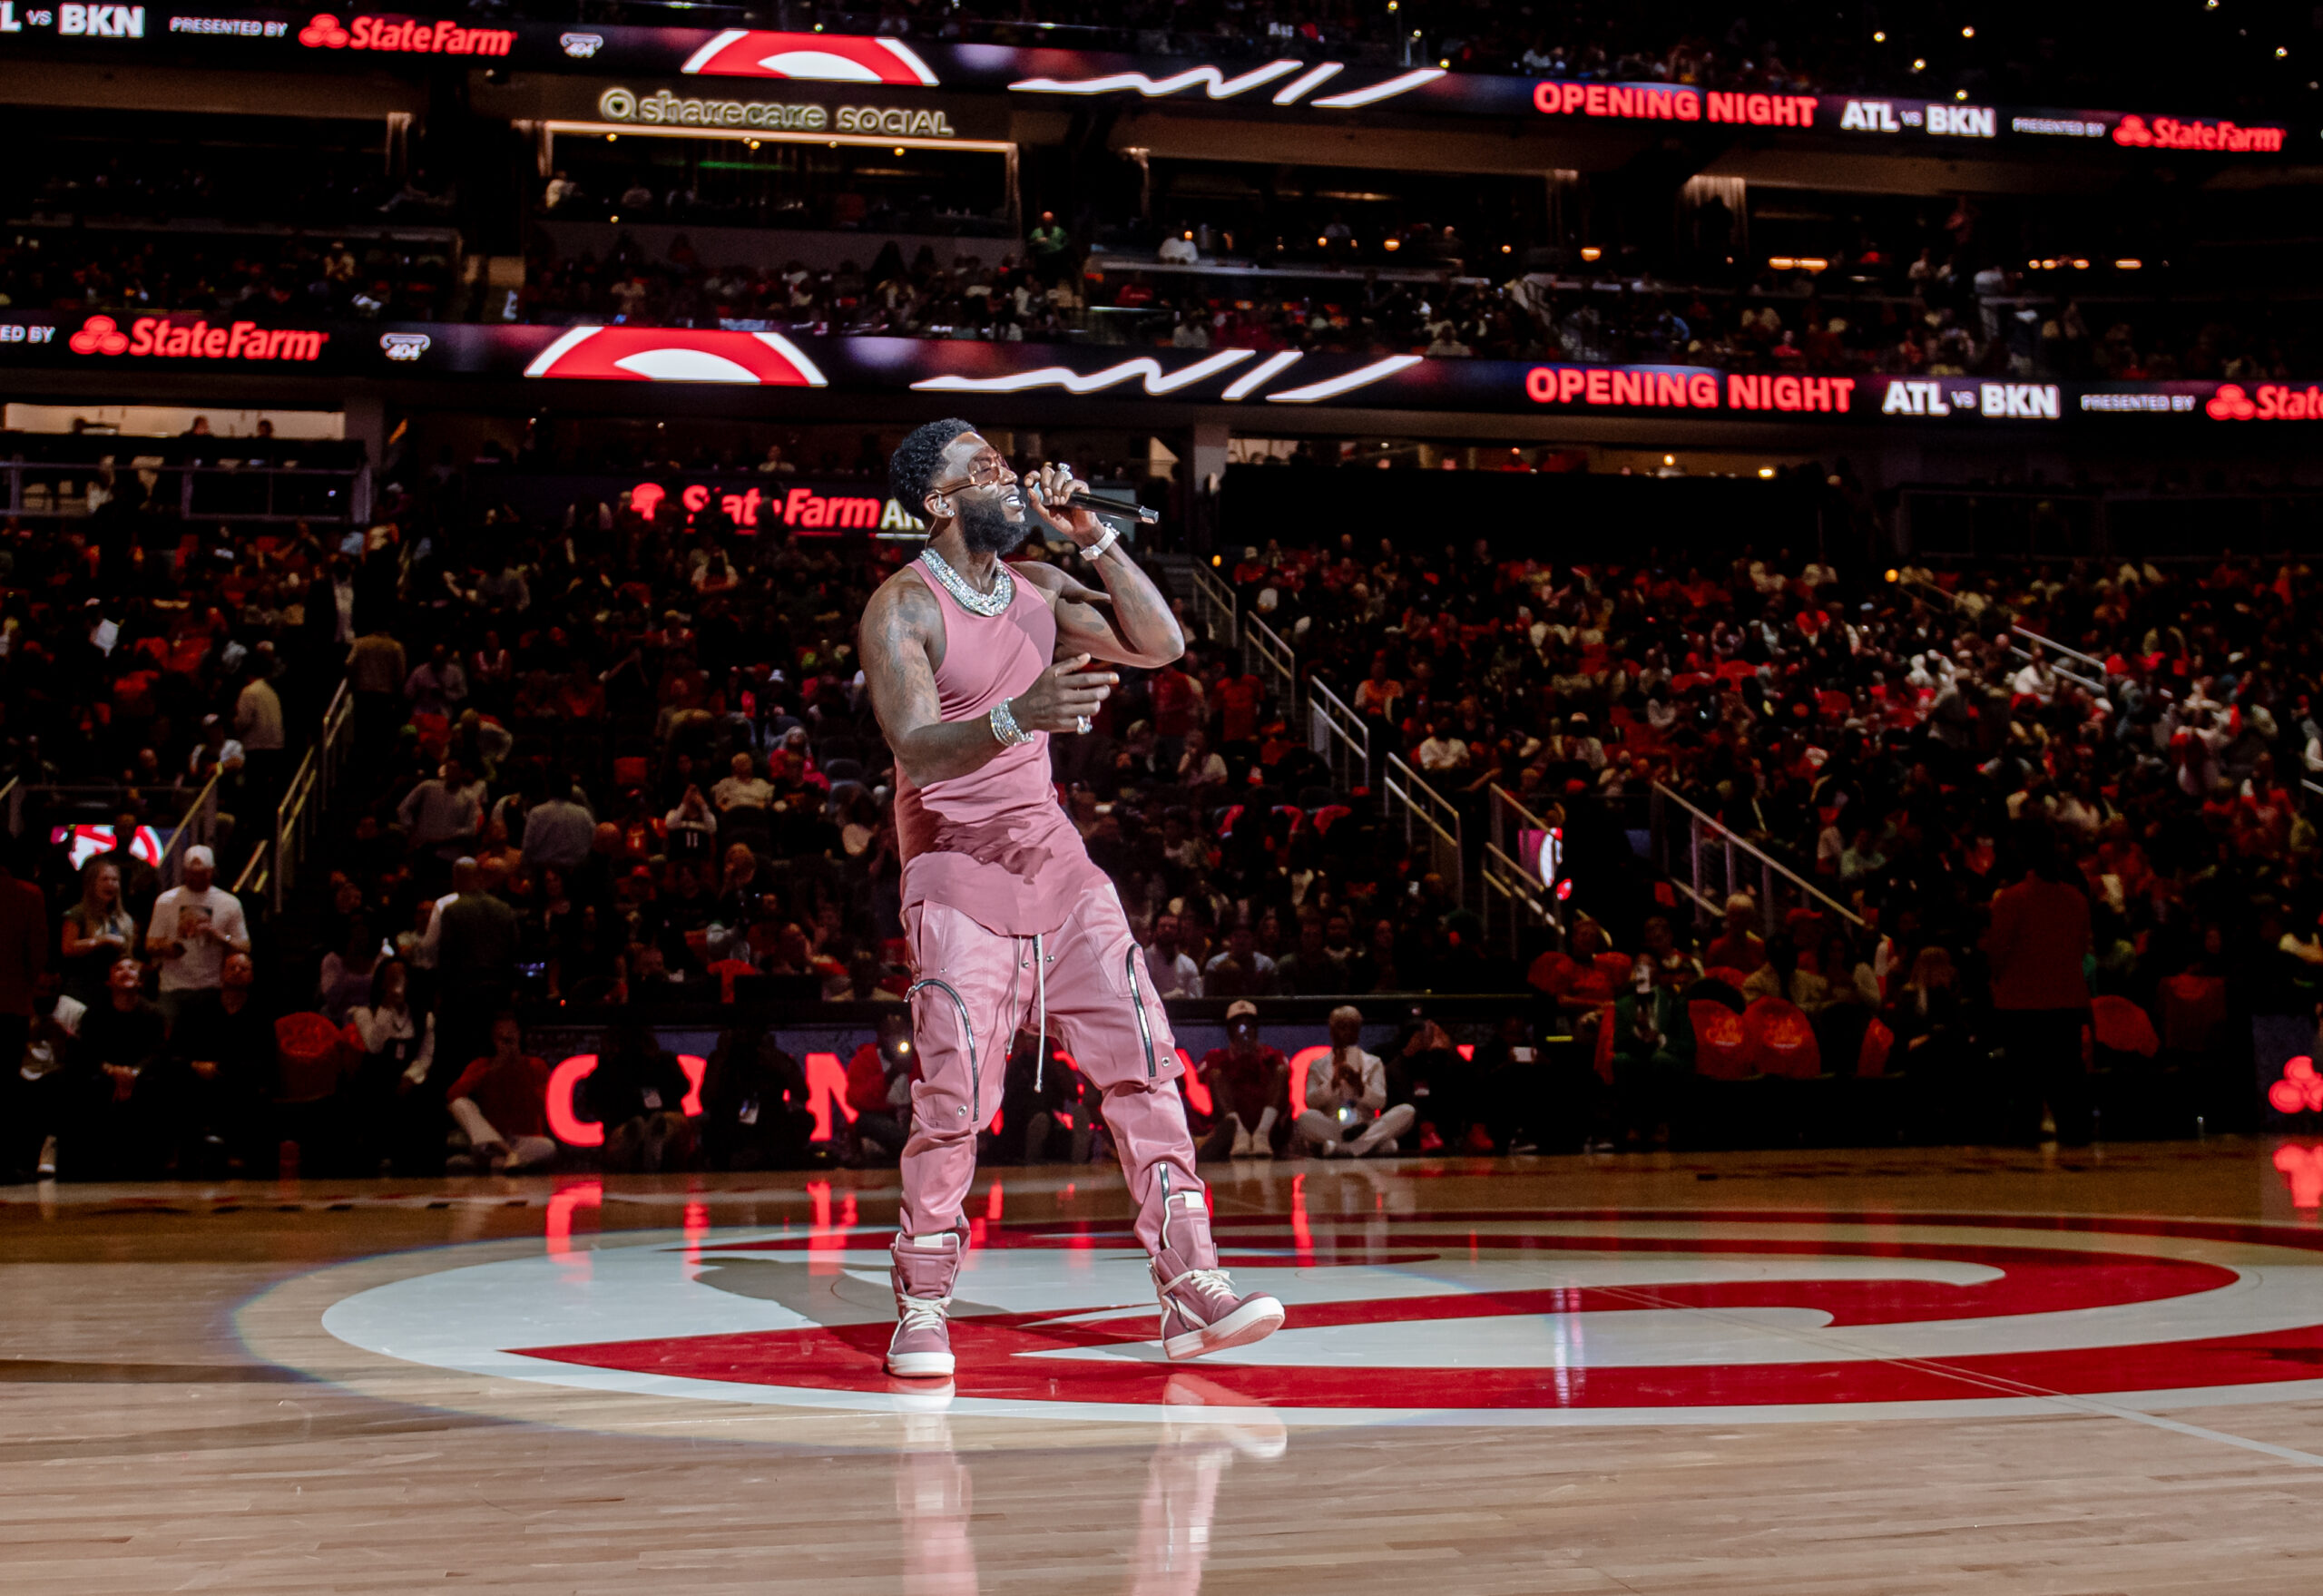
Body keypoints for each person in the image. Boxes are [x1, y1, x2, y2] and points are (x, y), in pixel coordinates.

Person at [858, 417, 1281, 1378]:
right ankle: (922, 1302)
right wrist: (1016, 715)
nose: (1007, 479)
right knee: (955, 1095)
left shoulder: (1039, 586)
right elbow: (917, 745)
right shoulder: (901, 608)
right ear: (937, 501)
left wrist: (1089, 533)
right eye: (985, 470)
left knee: (1144, 1061)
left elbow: (1163, 643)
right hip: (954, 866)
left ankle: (1190, 1286)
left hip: (1054, 859)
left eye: (1005, 464)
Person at [1984, 823, 2094, 1144]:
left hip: (2022, 1007)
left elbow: (1996, 957)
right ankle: (2078, 1149)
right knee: (2069, 1087)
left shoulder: (2009, 900)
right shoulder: (2076, 899)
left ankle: (2025, 1152)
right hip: (2066, 1004)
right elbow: (2079, 951)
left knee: (2025, 1090)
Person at [168, 950, 271, 1174]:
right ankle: (185, 1154)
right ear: (221, 974)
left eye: (243, 968)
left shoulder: (260, 1013)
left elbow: (264, 1058)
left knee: (250, 1084)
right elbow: (176, 1048)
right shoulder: (197, 1007)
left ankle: (239, 1153)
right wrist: (195, 1065)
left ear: (252, 976)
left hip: (237, 1078)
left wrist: (221, 1068)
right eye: (231, 967)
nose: (236, 972)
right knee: (176, 1075)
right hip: (196, 1075)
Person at [70, 956, 170, 1177]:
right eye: (118, 968)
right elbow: (86, 1052)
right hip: (104, 1074)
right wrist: (112, 1071)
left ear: (140, 981)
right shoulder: (94, 1014)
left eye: (131, 968)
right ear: (108, 981)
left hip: (141, 1076)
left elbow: (158, 1052)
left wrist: (132, 1073)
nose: (125, 972)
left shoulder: (153, 1014)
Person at [143, 845, 250, 1031]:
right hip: (173, 987)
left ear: (211, 871)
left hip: (212, 986)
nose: (196, 878)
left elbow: (245, 947)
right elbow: (150, 944)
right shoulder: (166, 901)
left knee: (207, 1036)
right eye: (192, 873)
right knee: (167, 1037)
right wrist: (167, 948)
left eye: (202, 873)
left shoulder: (229, 903)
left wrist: (219, 936)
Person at [1294, 1004, 1416, 1157]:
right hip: (1333, 1126)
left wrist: (1360, 1087)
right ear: (1332, 1031)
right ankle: (1372, 1145)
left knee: (1407, 1111)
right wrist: (1332, 1084)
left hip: (1366, 1125)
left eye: (1352, 1028)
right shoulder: (1318, 1065)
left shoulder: (1373, 1062)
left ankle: (1348, 1149)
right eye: (1342, 1027)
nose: (1347, 1033)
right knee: (1305, 1118)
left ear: (1358, 1032)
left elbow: (1380, 1102)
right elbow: (1310, 1102)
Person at [446, 1013, 555, 1173]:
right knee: (458, 1104)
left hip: (522, 1138)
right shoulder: (482, 1065)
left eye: (510, 1035)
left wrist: (517, 1066)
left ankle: (490, 1163)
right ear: (493, 1039)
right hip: (489, 1138)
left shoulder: (535, 1066)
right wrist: (491, 1071)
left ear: (519, 1035)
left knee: (548, 1147)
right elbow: (452, 1094)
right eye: (501, 1037)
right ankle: (508, 1156)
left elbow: (540, 1105)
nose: (506, 1040)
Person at [582, 1023, 697, 1172]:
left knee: (668, 1122)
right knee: (630, 1131)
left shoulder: (664, 1062)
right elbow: (594, 1101)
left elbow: (682, 1087)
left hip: (658, 1117)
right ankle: (639, 1137)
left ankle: (656, 1135)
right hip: (623, 1124)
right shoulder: (608, 1069)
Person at [1193, 1000, 1292, 1158]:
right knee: (1215, 1074)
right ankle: (1239, 1134)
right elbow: (1202, 1077)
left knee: (1280, 1071)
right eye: (1238, 1026)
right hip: (1232, 1131)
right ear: (1229, 1031)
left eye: (1250, 1026)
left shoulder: (1273, 1056)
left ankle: (1262, 1134)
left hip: (1270, 1131)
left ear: (1256, 1030)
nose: (1245, 1031)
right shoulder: (1216, 1058)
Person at [846, 1010, 916, 1163]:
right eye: (889, 1034)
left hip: (913, 1117)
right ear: (879, 1036)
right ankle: (912, 1149)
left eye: (901, 1033)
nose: (895, 1040)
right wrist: (890, 1076)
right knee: (867, 1122)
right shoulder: (864, 1059)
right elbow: (856, 1099)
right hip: (880, 1117)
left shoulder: (920, 1057)